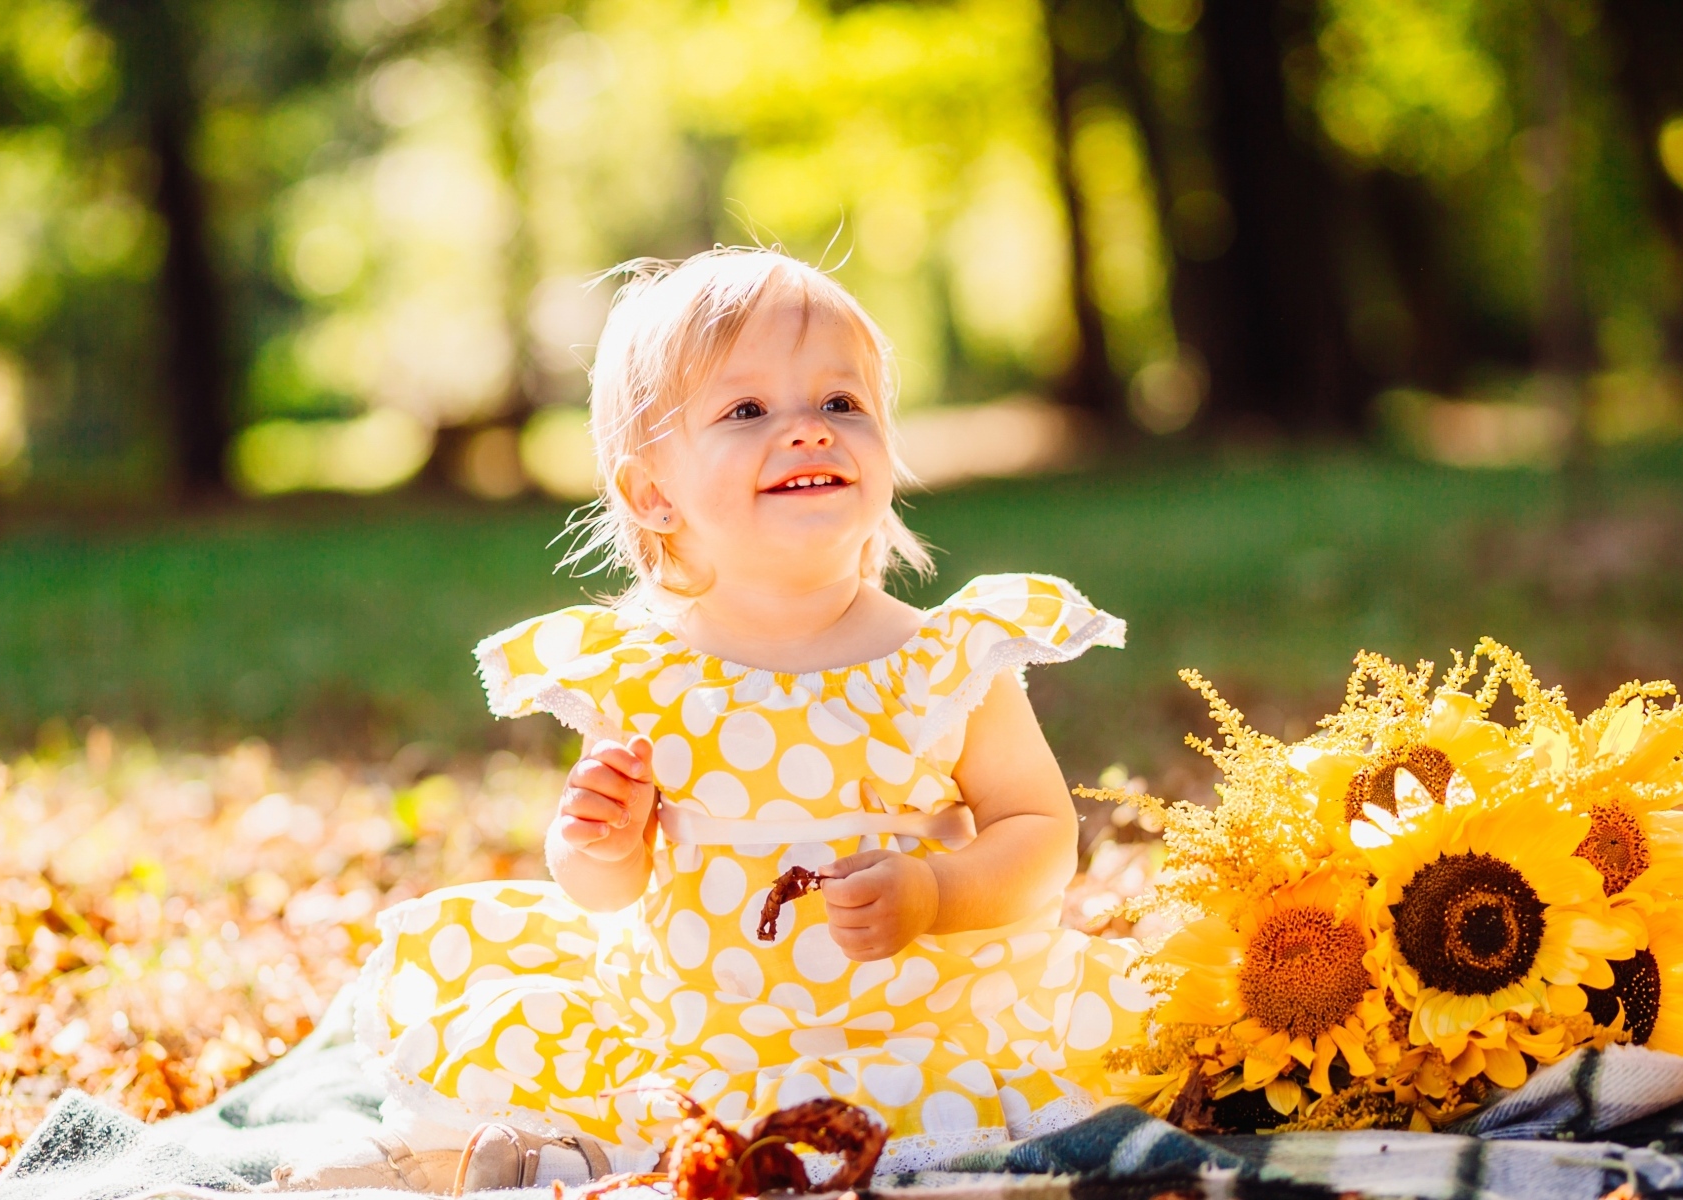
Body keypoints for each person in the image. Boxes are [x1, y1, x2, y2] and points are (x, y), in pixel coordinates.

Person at [268, 248, 1154, 1193]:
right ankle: (479, 1158)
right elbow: (606, 890)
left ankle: (563, 1161)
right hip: (688, 1019)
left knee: (944, 1112)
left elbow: (1041, 834)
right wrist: (599, 839)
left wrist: (938, 893)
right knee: (613, 1093)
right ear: (654, 493)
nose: (809, 432)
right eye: (747, 411)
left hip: (917, 1018)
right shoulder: (646, 672)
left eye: (842, 404)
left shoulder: (947, 660)